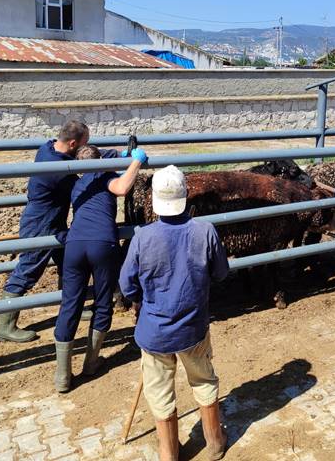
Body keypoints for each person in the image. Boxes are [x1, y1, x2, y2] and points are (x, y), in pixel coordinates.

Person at [119, 165, 229, 461]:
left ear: (156, 200)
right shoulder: (205, 231)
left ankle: (169, 453)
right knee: (204, 380)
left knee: (159, 391)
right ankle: (215, 441)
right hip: (193, 327)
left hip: (154, 332)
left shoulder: (143, 237)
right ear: (186, 196)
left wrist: (140, 301)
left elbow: (127, 284)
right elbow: (221, 272)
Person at [54, 144, 148, 393]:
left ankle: (62, 375)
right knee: (103, 302)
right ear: (101, 161)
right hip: (102, 245)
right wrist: (135, 162)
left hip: (74, 246)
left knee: (70, 304)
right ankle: (91, 362)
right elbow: (122, 187)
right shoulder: (107, 176)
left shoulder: (77, 184)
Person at [0, 120, 90, 343]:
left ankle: (70, 306)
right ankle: (5, 326)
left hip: (53, 221)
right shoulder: (56, 169)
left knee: (69, 261)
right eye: (84, 144)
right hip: (41, 224)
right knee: (28, 269)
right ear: (73, 143)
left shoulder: (48, 148)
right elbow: (81, 186)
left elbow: (76, 158)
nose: (85, 148)